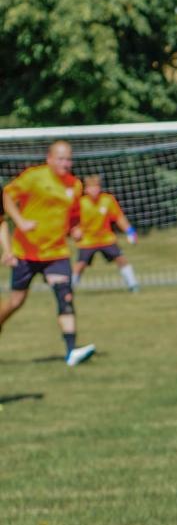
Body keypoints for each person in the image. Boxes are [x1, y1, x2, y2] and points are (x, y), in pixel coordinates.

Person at [1, 141, 96, 366]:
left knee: (65, 295)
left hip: (56, 252)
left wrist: (76, 230)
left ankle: (72, 351)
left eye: (69, 159)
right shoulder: (34, 177)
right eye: (61, 159)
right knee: (16, 301)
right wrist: (21, 221)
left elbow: (73, 218)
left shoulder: (75, 185)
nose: (66, 163)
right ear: (50, 159)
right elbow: (5, 196)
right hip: (26, 252)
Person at [73, 173, 140, 292]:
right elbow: (72, 221)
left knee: (121, 259)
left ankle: (133, 285)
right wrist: (75, 231)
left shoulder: (107, 200)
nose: (94, 190)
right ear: (86, 189)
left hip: (106, 238)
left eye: (96, 186)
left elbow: (119, 217)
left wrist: (130, 231)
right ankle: (69, 289)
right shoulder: (81, 202)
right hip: (87, 240)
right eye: (91, 187)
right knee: (80, 265)